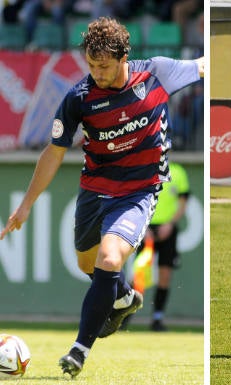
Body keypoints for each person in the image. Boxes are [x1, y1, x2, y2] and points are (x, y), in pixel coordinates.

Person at [0, 17, 204, 378]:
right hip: (95, 191)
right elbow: (54, 151)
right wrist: (26, 204)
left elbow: (204, 66)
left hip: (139, 191)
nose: (96, 73)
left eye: (104, 66)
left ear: (124, 56)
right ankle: (124, 297)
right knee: (89, 266)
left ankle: (79, 350)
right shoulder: (79, 98)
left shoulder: (158, 73)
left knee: (109, 260)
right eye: (91, 65)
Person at [123, 161, 190, 332]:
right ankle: (124, 317)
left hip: (168, 228)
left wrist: (170, 223)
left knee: (165, 275)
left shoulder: (178, 171)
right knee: (140, 276)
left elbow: (183, 203)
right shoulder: (145, 168)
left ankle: (157, 318)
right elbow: (135, 200)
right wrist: (143, 228)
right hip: (146, 229)